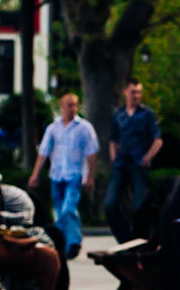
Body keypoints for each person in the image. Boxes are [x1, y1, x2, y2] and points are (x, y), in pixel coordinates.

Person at [29, 92, 100, 257]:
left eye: (75, 104)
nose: (72, 108)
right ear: (62, 107)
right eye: (69, 104)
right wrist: (35, 174)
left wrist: (90, 176)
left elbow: (92, 153)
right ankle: (61, 243)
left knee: (69, 208)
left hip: (75, 174)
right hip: (56, 174)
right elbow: (44, 152)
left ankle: (73, 241)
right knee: (59, 210)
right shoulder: (53, 128)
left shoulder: (84, 128)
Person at [105, 81, 162, 242]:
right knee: (111, 204)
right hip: (121, 162)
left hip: (138, 163)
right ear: (125, 92)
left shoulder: (147, 114)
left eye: (138, 92)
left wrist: (147, 157)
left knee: (140, 205)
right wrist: (113, 156)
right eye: (133, 92)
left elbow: (158, 140)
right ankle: (124, 238)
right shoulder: (118, 115)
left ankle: (141, 238)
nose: (136, 96)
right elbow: (113, 139)